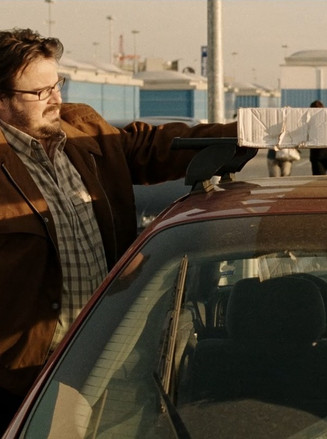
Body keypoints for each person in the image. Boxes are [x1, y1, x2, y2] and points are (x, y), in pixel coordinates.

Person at [0, 28, 237, 428]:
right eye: (40, 92)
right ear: (2, 101)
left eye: (57, 84)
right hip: (26, 375)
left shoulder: (83, 130)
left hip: (107, 356)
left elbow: (156, 146)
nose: (56, 99)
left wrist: (247, 132)